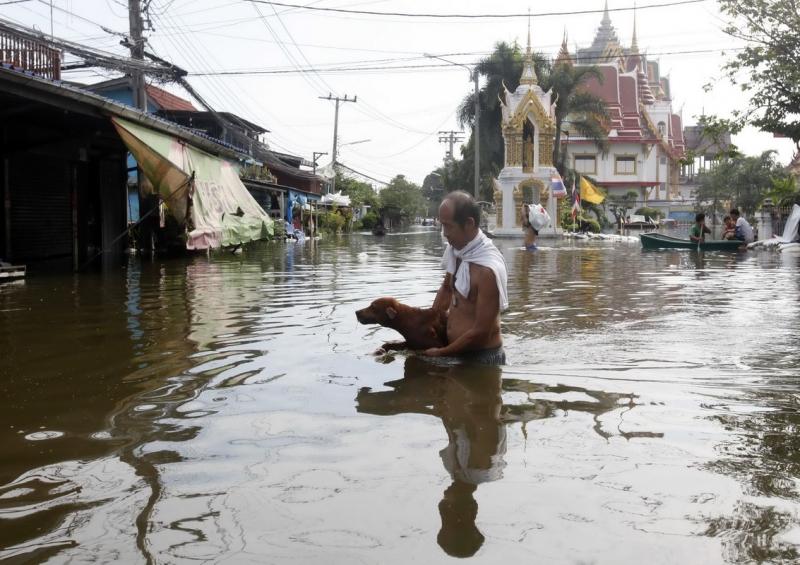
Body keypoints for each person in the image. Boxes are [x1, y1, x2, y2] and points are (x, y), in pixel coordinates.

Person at [426, 191, 508, 365]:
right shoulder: (456, 251)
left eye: (448, 226)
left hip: (482, 360)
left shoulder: (488, 271)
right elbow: (446, 289)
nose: (444, 233)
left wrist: (441, 353)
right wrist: (425, 328)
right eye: (442, 225)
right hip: (455, 353)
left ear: (469, 223)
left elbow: (481, 332)